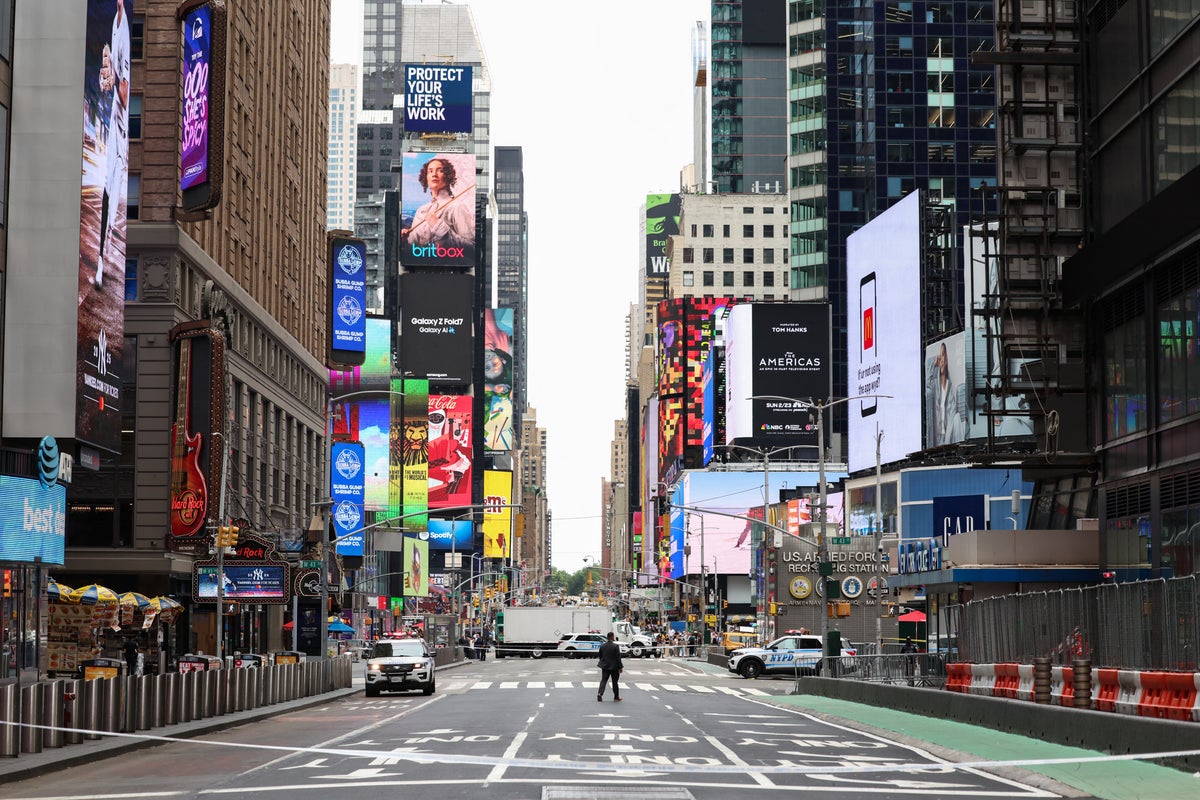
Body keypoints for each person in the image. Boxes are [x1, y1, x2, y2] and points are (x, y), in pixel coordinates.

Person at [93, 0, 131, 288]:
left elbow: (126, 92)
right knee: (107, 190)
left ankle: (104, 254)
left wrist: (114, 79)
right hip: (115, 139)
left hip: (122, 141)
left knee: (114, 195)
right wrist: (107, 79)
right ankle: (101, 259)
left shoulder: (124, 33)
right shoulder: (117, 27)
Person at [401, 157, 474, 250]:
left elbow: (472, 248)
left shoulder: (456, 206)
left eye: (440, 171)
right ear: (425, 177)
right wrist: (406, 240)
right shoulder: (421, 210)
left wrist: (439, 227)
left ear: (448, 176)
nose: (434, 174)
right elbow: (414, 248)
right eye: (430, 171)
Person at [926, 341, 968, 446]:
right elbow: (926, 384)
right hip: (937, 438)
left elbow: (952, 412)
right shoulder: (934, 385)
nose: (941, 359)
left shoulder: (949, 386)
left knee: (957, 418)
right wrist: (933, 365)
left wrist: (947, 440)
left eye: (943, 355)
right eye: (939, 357)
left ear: (947, 358)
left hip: (948, 438)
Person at [596, 632, 624, 702]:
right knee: (615, 682)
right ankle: (616, 697)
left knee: (603, 680)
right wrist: (620, 667)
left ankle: (600, 693)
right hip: (614, 667)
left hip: (605, 666)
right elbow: (618, 658)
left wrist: (604, 662)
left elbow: (600, 656)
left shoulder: (603, 646)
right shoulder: (615, 646)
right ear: (612, 637)